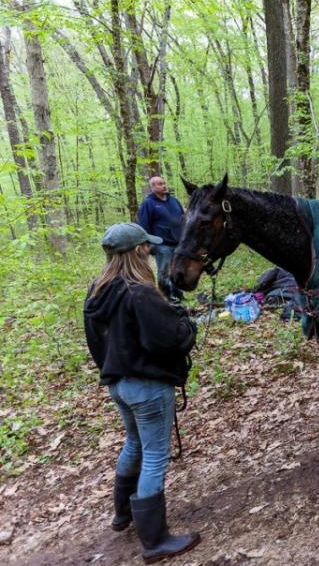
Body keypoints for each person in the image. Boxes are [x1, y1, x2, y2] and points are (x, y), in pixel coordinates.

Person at [83, 223, 200, 561]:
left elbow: (97, 343)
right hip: (146, 386)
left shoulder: (97, 291)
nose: (150, 252)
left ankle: (123, 514)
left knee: (134, 443)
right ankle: (156, 541)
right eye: (146, 248)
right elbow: (168, 340)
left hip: (118, 384)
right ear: (137, 252)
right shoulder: (139, 292)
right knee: (154, 455)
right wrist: (186, 326)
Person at [136, 175, 186, 300]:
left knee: (177, 269)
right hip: (161, 244)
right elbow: (143, 224)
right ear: (152, 187)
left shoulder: (173, 200)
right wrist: (148, 243)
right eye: (159, 184)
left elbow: (183, 218)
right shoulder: (148, 203)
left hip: (178, 242)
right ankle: (166, 295)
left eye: (163, 183)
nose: (164, 185)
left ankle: (178, 294)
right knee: (164, 271)